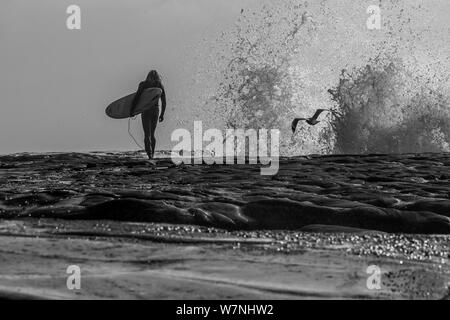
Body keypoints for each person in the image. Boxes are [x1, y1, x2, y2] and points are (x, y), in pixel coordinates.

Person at [130, 70, 166, 160]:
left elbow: (137, 98)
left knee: (147, 134)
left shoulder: (143, 84)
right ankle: (152, 155)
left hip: (146, 110)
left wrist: (132, 110)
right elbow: (164, 101)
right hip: (155, 110)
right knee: (152, 134)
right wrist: (162, 114)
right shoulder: (159, 85)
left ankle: (150, 155)